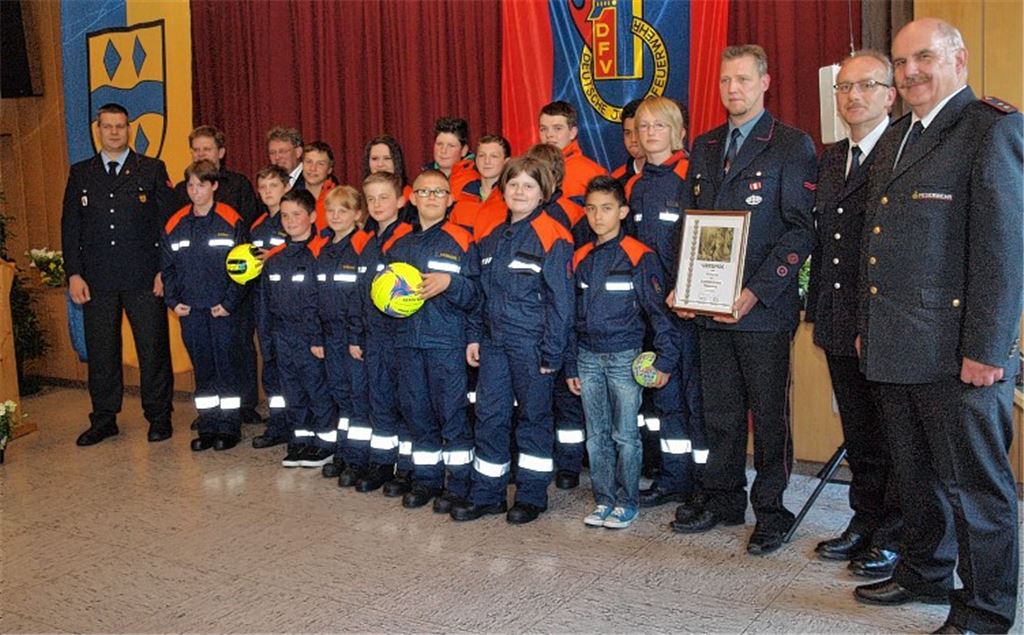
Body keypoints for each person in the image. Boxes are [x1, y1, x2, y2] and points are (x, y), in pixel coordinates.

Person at [851, 19, 1022, 635]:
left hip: (958, 352)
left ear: (958, 58)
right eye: (900, 62)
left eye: (924, 57)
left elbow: (1003, 253)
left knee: (976, 491)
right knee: (916, 478)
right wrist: (869, 326)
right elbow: (879, 245)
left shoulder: (990, 129)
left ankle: (984, 610)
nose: (911, 71)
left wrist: (986, 348)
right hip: (897, 345)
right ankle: (924, 572)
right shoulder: (897, 135)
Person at [669, 45, 817, 557]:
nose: (733, 89)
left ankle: (773, 511)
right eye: (725, 81)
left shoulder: (792, 146)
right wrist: (682, 285)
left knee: (769, 418)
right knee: (721, 414)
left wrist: (755, 293)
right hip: (710, 309)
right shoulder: (707, 147)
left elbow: (800, 232)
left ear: (765, 83)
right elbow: (693, 226)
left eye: (743, 80)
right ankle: (724, 498)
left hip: (763, 310)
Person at [804, 51, 902, 578]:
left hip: (884, 324)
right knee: (862, 434)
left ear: (891, 94)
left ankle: (894, 533)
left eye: (866, 86)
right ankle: (863, 522)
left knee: (893, 437)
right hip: (840, 318)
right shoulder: (833, 157)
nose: (853, 96)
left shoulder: (904, 151)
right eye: (844, 87)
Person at [451, 157, 574, 525]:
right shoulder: (491, 238)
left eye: (528, 186)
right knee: (489, 417)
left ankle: (532, 496)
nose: (519, 191)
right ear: (503, 190)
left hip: (532, 346)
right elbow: (479, 294)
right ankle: (488, 494)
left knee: (534, 419)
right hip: (493, 346)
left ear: (543, 193)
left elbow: (562, 302)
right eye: (514, 184)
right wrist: (474, 336)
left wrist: (552, 353)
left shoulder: (554, 235)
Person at [61, 102, 176, 447]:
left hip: (144, 276)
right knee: (102, 352)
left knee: (153, 349)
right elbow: (71, 227)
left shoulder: (151, 169)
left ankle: (159, 416)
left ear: (129, 129)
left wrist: (164, 270)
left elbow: (167, 225)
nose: (114, 132)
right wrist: (74, 274)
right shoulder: (81, 172)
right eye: (108, 126)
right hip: (97, 280)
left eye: (120, 126)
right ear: (98, 130)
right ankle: (104, 418)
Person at [567, 175, 678, 529]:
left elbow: (658, 313)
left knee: (625, 434)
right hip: (587, 357)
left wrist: (665, 358)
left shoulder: (639, 256)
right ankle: (603, 499)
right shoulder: (581, 257)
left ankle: (627, 502)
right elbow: (570, 315)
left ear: (623, 211)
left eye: (607, 209)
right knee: (595, 434)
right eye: (591, 209)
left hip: (624, 357)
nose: (598, 217)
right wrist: (571, 363)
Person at [626, 96, 705, 509]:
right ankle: (673, 479)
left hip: (688, 309)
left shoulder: (692, 176)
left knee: (692, 398)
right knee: (664, 398)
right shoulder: (638, 186)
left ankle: (703, 483)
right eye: (644, 126)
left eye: (659, 125)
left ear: (676, 131)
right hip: (650, 311)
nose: (650, 132)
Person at [385, 170, 479, 512]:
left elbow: (476, 296)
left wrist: (450, 284)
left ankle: (459, 484)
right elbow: (384, 299)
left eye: (439, 192)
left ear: (451, 198)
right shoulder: (398, 245)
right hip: (408, 342)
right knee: (417, 413)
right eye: (424, 192)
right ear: (412, 197)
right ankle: (426, 480)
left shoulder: (462, 240)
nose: (431, 198)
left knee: (452, 414)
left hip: (447, 343)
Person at [173, 126, 262, 427]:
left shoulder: (238, 186)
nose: (201, 154)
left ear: (220, 153)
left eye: (207, 149)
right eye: (196, 150)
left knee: (237, 348)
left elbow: (247, 236)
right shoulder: (180, 194)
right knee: (206, 358)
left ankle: (242, 407)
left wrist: (232, 292)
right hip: (196, 293)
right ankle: (211, 416)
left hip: (233, 287)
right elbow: (173, 245)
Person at [161, 160, 247, 451]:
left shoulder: (230, 219)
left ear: (214, 186)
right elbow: (168, 269)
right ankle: (208, 426)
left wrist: (229, 303)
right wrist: (173, 302)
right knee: (203, 371)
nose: (195, 191)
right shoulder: (175, 224)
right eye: (190, 185)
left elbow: (242, 269)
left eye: (201, 185)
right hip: (191, 313)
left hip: (221, 311)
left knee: (226, 370)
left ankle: (229, 428)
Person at [348, 171, 415, 495]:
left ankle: (407, 468)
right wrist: (359, 336)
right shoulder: (368, 243)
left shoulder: (408, 240)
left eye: (383, 197)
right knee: (380, 402)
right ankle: (382, 462)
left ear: (401, 200)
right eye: (371, 198)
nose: (377, 204)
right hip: (373, 339)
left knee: (407, 403)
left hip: (401, 339)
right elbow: (361, 297)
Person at [260, 189, 335, 468]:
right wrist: (267, 340)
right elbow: (265, 304)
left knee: (317, 390)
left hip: (311, 337)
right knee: (293, 392)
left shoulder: (321, 253)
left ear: (313, 216)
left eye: (297, 215)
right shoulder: (275, 257)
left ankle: (324, 443)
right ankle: (300, 441)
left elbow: (324, 302)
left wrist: (319, 336)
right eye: (285, 215)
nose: (290, 221)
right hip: (283, 336)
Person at [314, 185, 371, 479]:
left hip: (353, 339)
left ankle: (360, 458)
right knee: (340, 396)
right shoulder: (324, 249)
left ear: (357, 214)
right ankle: (345, 451)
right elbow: (316, 296)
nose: (335, 216)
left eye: (343, 210)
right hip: (330, 337)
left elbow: (362, 299)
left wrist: (356, 337)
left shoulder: (363, 246)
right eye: (331, 210)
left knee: (358, 398)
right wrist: (316, 337)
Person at [249, 165, 292, 449]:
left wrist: (274, 256)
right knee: (272, 366)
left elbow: (301, 250)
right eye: (263, 187)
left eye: (273, 186)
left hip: (289, 303)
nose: (267, 192)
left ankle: (299, 424)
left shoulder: (293, 221)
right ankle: (277, 423)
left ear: (286, 187)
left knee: (294, 367)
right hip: (263, 303)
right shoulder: (257, 226)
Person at [538, 100, 608, 202]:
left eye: (557, 128)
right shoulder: (528, 169)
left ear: (572, 132)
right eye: (543, 129)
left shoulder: (593, 173)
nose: (549, 135)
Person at [424, 117, 479, 201]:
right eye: (439, 144)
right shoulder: (424, 176)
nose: (443, 150)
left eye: (451, 146)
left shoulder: (472, 181)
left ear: (463, 151)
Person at [302, 141, 337, 231]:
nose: (313, 168)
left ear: (329, 169)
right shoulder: (292, 197)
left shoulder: (338, 199)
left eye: (320, 164)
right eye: (309, 162)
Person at [610, 99, 645, 187]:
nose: (633, 139)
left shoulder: (672, 174)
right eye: (628, 133)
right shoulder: (615, 179)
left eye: (638, 132)